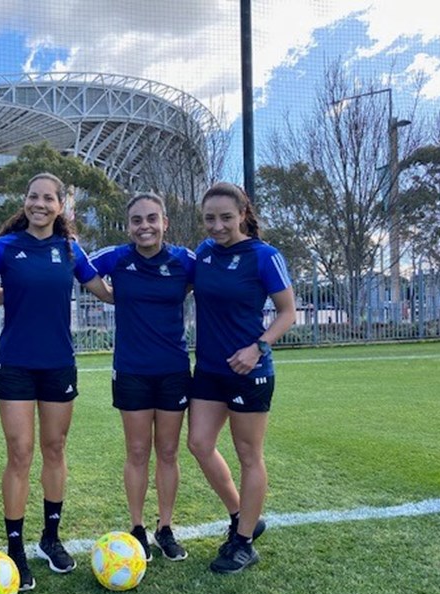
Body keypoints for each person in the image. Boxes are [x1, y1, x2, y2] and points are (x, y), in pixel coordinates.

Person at [0, 172, 112, 591]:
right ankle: (15, 549)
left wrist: (167, 281)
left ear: (61, 206)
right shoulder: (4, 247)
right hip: (14, 364)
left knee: (54, 448)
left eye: (49, 198)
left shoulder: (69, 249)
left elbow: (104, 292)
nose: (40, 204)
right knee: (20, 453)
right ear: (25, 202)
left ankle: (50, 537)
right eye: (34, 197)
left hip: (58, 365)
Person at [186, 182, 296, 574]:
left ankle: (244, 543)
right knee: (199, 444)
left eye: (226, 218)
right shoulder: (204, 252)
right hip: (210, 371)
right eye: (210, 218)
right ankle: (242, 516)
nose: (217, 226)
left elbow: (287, 312)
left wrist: (258, 348)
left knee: (249, 455)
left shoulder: (264, 256)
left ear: (243, 215)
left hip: (251, 373)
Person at [89, 192, 195, 562]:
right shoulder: (116, 258)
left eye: (152, 219)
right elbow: (74, 267)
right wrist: (107, 294)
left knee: (168, 451)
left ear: (165, 222)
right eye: (137, 220)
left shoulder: (184, 261)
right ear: (128, 226)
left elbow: (217, 282)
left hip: (173, 371)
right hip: (132, 371)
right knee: (137, 451)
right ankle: (137, 529)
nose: (144, 226)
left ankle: (165, 528)